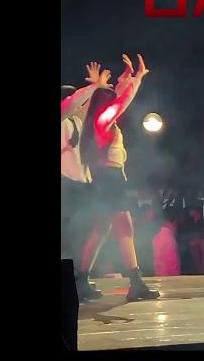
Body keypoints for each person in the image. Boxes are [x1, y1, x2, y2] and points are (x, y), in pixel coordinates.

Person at [76, 54, 160, 302]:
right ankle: (135, 282)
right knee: (125, 226)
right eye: (110, 95)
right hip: (110, 178)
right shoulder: (102, 122)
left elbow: (119, 100)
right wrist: (136, 79)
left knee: (102, 228)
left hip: (106, 179)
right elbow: (122, 102)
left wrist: (125, 80)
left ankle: (80, 280)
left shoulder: (98, 122)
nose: (115, 97)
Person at [61, 63, 112, 300]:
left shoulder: (77, 121)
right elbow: (72, 104)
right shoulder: (63, 116)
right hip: (65, 184)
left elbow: (86, 107)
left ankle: (79, 280)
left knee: (88, 232)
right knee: (68, 239)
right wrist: (91, 87)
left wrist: (98, 88)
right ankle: (71, 286)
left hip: (80, 184)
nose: (78, 103)